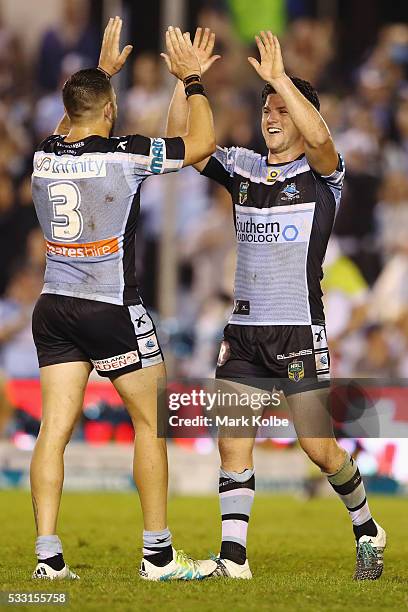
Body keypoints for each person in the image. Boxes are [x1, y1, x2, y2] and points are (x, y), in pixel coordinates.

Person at [166, 28, 386, 580]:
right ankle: (234, 560)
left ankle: (366, 525)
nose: (271, 115)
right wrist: (187, 81)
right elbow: (181, 142)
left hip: (297, 333)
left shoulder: (321, 175)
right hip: (243, 332)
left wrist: (282, 81)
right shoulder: (241, 166)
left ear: (299, 112)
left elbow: (322, 137)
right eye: (265, 108)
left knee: (318, 449)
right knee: (232, 447)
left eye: (281, 109)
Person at [30, 18, 217, 581]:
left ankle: (47, 558)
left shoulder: (45, 154)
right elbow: (202, 144)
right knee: (151, 422)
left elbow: (73, 118)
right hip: (110, 304)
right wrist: (192, 81)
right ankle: (157, 555)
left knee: (53, 431)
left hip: (54, 305)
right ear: (110, 112)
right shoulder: (125, 153)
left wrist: (101, 75)